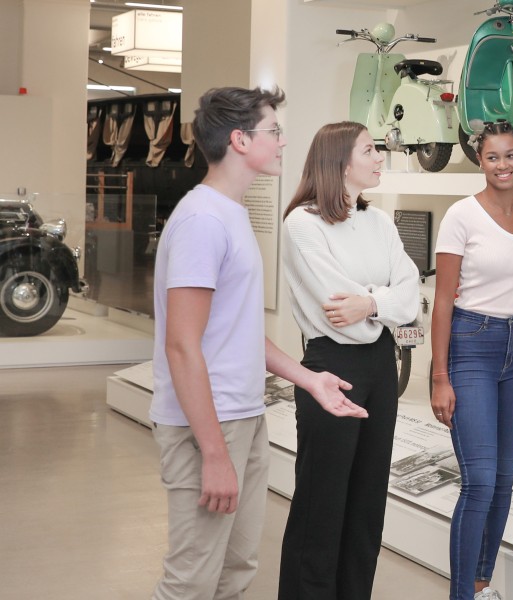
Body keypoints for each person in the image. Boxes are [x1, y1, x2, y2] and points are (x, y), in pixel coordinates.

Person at [149, 87, 367, 600]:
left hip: (241, 416)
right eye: (274, 131)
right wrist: (214, 453)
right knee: (192, 580)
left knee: (236, 570)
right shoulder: (203, 221)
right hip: (208, 425)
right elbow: (182, 346)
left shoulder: (231, 213)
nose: (284, 141)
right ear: (240, 139)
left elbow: (238, 330)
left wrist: (309, 378)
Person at [278, 121, 420, 600]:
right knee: (322, 505)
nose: (380, 156)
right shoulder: (302, 223)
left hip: (380, 365)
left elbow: (412, 297)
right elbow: (339, 314)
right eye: (370, 149)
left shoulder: (379, 222)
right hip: (330, 365)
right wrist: (379, 306)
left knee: (366, 507)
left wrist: (373, 305)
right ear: (339, 162)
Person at [430, 120, 513, 600]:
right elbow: (443, 301)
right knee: (479, 480)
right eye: (492, 157)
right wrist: (439, 377)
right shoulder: (461, 216)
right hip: (470, 343)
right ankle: (461, 594)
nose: (502, 165)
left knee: (505, 479)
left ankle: (483, 584)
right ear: (479, 161)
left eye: (510, 155)